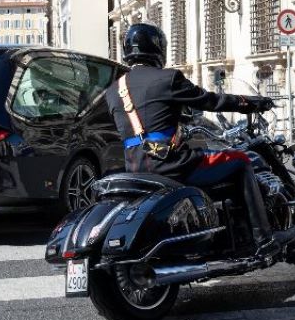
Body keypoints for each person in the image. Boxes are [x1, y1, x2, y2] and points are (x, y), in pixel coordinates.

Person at [104, 23, 284, 242]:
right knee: (241, 160)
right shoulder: (168, 79)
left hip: (135, 169)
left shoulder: (114, 90)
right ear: (158, 48)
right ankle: (262, 236)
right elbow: (211, 100)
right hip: (172, 165)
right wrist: (249, 103)